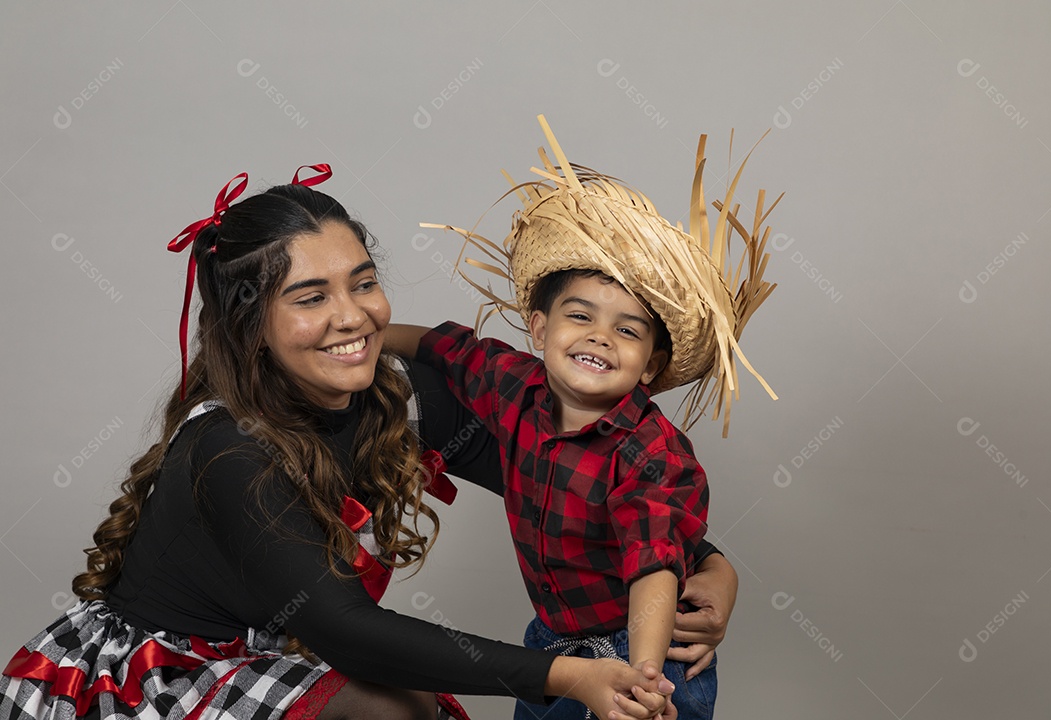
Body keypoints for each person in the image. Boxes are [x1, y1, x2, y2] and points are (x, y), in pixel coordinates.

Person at [0, 166, 685, 720]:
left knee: (405, 701)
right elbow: (348, 631)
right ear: (250, 327)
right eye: (310, 297)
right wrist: (567, 675)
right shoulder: (228, 450)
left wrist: (707, 567)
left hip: (280, 648)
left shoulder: (396, 393)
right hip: (163, 677)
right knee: (394, 707)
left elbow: (574, 482)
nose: (352, 316)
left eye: (363, 283)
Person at [388, 116, 780, 720]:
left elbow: (653, 568)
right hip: (551, 644)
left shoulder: (653, 452)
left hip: (642, 649)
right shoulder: (512, 384)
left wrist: (642, 679)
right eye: (580, 317)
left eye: (627, 331)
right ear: (540, 330)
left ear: (650, 366)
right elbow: (447, 347)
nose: (600, 337)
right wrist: (373, 337)